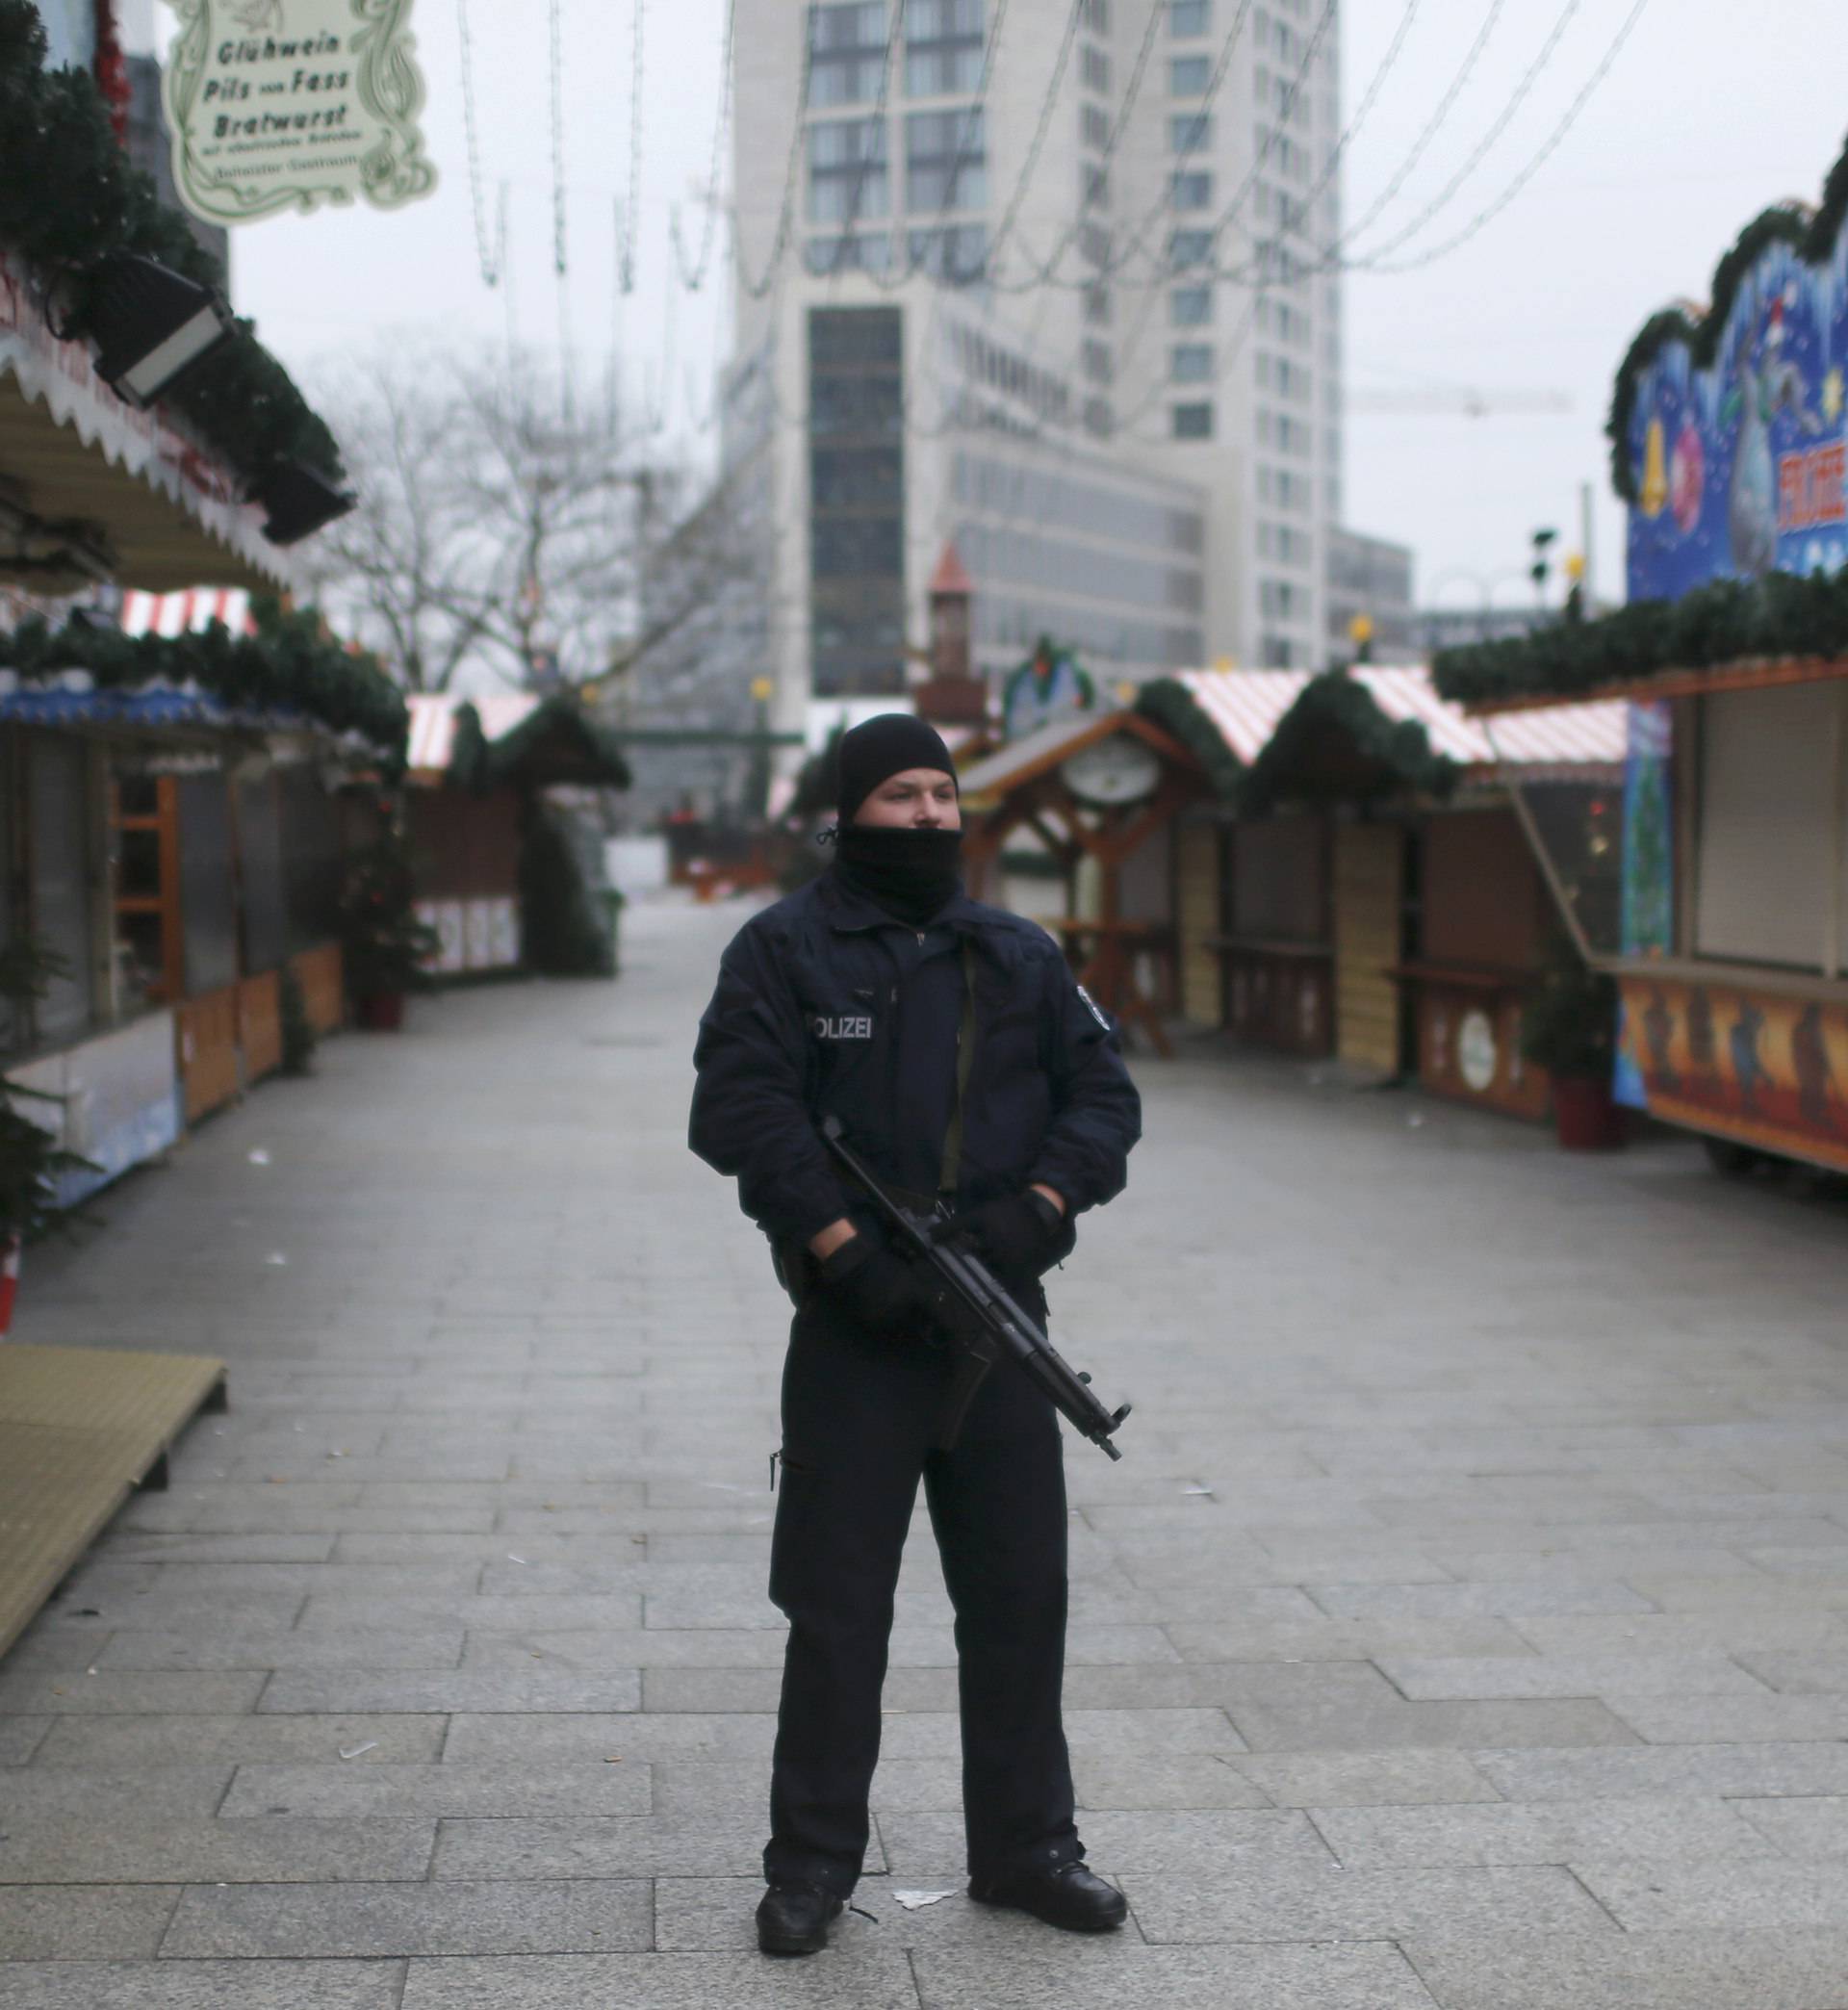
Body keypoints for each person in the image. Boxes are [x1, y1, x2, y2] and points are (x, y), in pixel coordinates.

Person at [688, 713, 1142, 1956]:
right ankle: (813, 1865)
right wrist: (842, 1254)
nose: (933, 815)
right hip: (857, 1334)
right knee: (837, 1611)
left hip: (997, 1324)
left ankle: (1029, 1849)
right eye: (902, 793)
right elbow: (740, 1109)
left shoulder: (1017, 953)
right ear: (848, 813)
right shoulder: (783, 952)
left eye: (945, 793)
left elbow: (1104, 1096)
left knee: (1020, 1600)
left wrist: (1039, 1211)